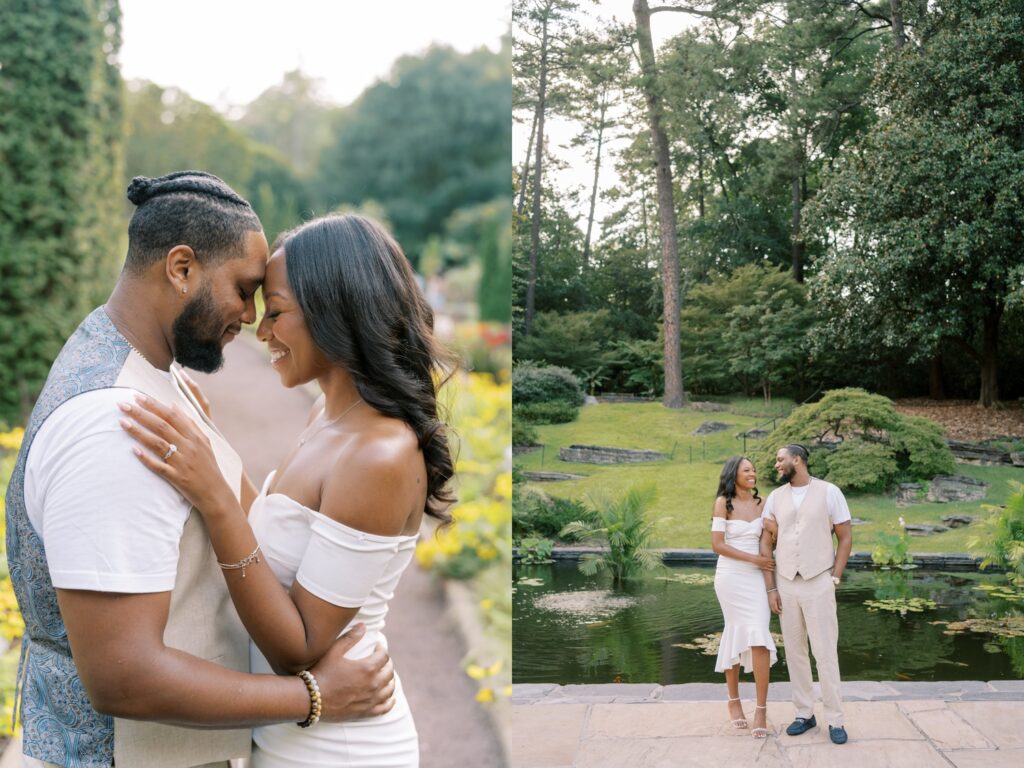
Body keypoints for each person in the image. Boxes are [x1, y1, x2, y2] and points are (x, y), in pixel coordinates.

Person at [5, 172, 394, 768]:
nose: (250, 317)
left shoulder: (148, 373)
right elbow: (124, 676)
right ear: (181, 268)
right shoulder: (115, 423)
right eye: (243, 290)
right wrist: (314, 697)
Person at [119, 213, 455, 767]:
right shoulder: (330, 413)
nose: (261, 331)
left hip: (337, 749)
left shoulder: (380, 453)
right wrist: (212, 446)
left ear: (336, 311)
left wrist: (216, 498)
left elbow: (298, 648)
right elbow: (277, 530)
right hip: (292, 735)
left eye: (275, 312)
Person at [760, 444, 853, 745]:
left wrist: (834, 577)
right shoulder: (775, 497)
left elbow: (845, 536)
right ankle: (804, 713)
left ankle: (835, 719)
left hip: (818, 581)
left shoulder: (829, 492)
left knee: (824, 653)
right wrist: (772, 587)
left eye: (780, 459)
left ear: (797, 460)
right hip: (786, 582)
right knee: (795, 653)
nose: (776, 465)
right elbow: (769, 540)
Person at [710, 456, 778, 739]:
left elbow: (773, 538)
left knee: (760, 636)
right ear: (733, 474)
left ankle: (761, 709)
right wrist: (754, 559)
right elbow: (717, 545)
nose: (753, 473)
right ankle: (734, 701)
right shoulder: (722, 503)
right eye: (746, 470)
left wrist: (774, 532)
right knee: (735, 633)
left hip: (757, 578)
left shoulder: (764, 504)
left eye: (754, 469)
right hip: (730, 576)